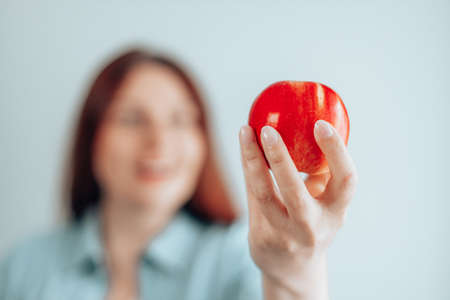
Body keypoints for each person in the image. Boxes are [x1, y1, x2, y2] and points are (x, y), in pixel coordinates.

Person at [0, 48, 358, 300]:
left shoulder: (239, 261)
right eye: (132, 119)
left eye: (180, 120)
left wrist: (293, 272)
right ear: (92, 137)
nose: (159, 142)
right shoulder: (24, 266)